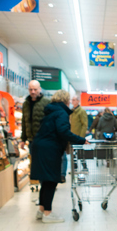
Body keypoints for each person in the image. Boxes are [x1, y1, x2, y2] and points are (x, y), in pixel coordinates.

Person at [30, 89, 86, 223]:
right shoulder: (61, 113)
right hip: (50, 148)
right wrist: (81, 139)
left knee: (46, 180)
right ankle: (48, 214)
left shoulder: (51, 111)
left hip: (40, 146)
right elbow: (63, 131)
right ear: (65, 100)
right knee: (51, 180)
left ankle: (42, 210)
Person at [21, 81, 51, 201]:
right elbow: (24, 122)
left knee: (43, 168)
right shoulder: (26, 104)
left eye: (35, 89)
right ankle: (41, 195)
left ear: (39, 89)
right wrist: (23, 139)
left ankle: (44, 196)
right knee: (36, 169)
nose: (33, 92)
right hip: (32, 141)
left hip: (44, 141)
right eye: (30, 89)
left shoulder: (46, 103)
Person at [67, 96, 88, 177]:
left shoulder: (81, 111)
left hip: (78, 136)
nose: (72, 101)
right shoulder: (71, 111)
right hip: (72, 136)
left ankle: (85, 167)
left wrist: (82, 137)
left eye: (74, 100)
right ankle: (74, 169)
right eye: (72, 100)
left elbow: (84, 124)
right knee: (73, 154)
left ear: (78, 101)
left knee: (80, 153)